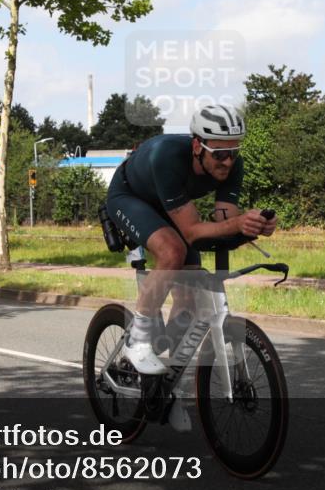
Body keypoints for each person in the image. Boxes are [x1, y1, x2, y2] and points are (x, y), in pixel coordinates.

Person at [106, 105, 277, 378]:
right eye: (219, 154)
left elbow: (224, 221)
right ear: (197, 146)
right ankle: (137, 340)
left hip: (171, 206)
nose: (228, 162)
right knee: (172, 251)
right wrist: (237, 224)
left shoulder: (232, 166)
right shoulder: (168, 156)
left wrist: (253, 227)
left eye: (234, 153)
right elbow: (191, 233)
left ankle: (167, 381)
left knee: (189, 293)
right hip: (130, 196)